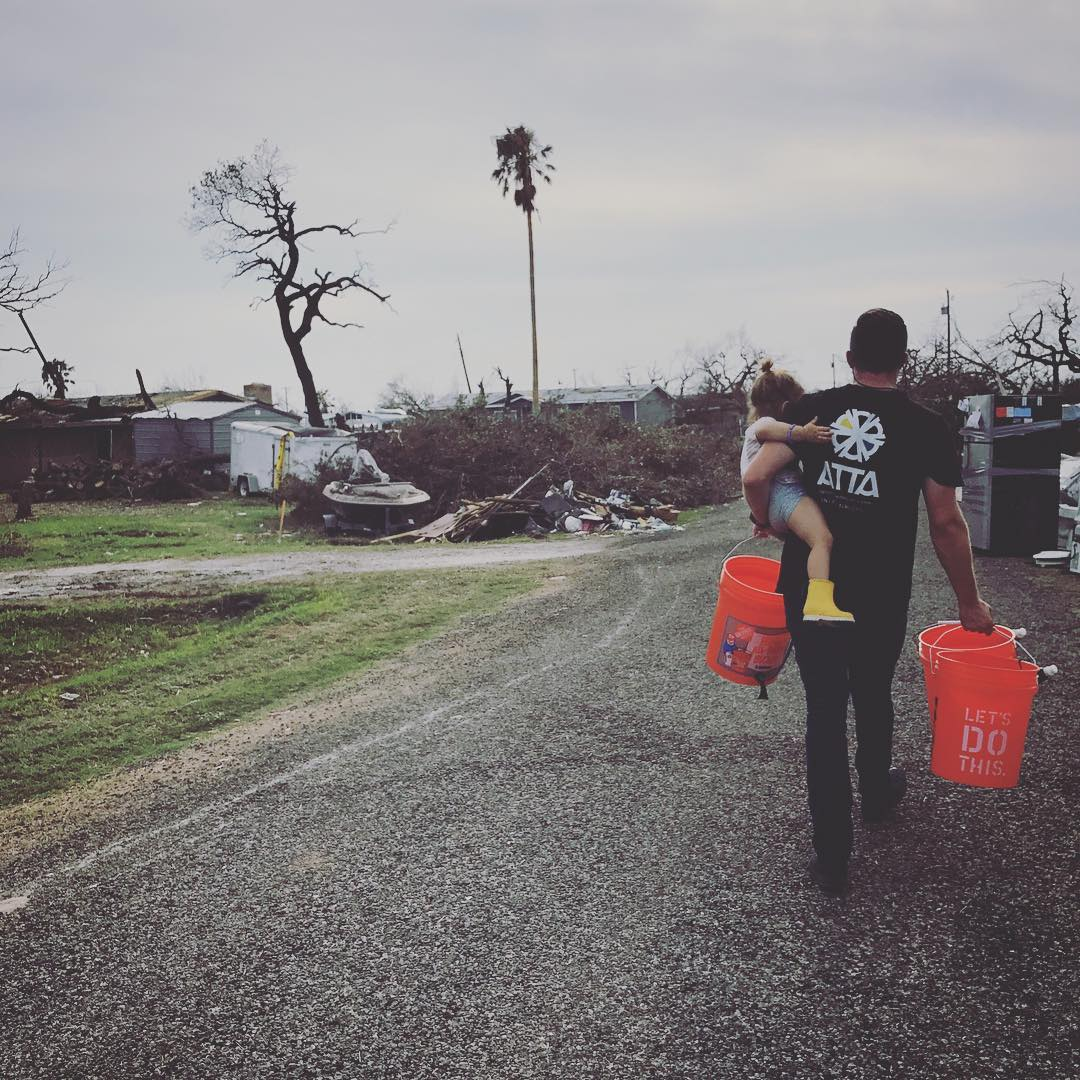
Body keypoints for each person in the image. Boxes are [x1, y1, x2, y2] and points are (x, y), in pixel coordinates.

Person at [742, 308, 994, 895]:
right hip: (882, 588)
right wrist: (970, 603)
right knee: (874, 687)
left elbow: (760, 471)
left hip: (813, 585)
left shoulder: (815, 410)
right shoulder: (929, 427)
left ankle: (832, 855)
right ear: (902, 361)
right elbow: (946, 523)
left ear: (851, 356)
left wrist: (770, 525)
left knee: (825, 709)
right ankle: (876, 793)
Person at [740, 360, 853, 622]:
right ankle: (819, 602)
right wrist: (802, 432)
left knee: (809, 541)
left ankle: (816, 598)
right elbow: (766, 432)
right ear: (785, 405)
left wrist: (762, 519)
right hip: (786, 496)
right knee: (822, 539)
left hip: (777, 503)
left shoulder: (762, 432)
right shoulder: (764, 425)